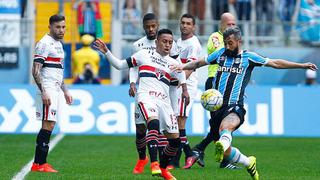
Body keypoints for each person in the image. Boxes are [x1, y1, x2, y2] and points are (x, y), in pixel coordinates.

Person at [170, 26, 318, 180]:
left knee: (224, 128)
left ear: (239, 41)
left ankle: (222, 140)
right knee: (226, 151)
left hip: (235, 106)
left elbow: (275, 63)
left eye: (230, 43)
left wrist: (301, 65)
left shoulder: (249, 58)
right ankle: (248, 162)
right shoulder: (220, 54)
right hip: (217, 107)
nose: (227, 46)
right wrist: (182, 66)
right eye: (225, 43)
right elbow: (199, 63)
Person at [94, 28, 190, 180]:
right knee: (152, 124)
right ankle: (154, 163)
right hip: (146, 97)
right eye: (164, 41)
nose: (167, 45)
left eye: (170, 43)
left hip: (164, 102)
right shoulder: (143, 54)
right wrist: (106, 52)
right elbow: (120, 65)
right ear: (157, 41)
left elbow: (176, 85)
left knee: (175, 141)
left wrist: (182, 95)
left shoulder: (173, 64)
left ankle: (164, 169)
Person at [188, 12, 239, 170]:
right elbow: (226, 51)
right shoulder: (216, 37)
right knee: (219, 123)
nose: (231, 27)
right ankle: (223, 160)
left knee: (222, 123)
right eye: (228, 24)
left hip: (227, 83)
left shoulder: (233, 41)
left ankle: (200, 149)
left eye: (233, 25)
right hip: (215, 83)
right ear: (221, 25)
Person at [129, 13, 178, 176]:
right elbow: (133, 67)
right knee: (140, 128)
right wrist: (132, 83)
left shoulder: (170, 43)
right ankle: (142, 158)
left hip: (161, 91)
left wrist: (179, 91)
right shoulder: (138, 45)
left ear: (157, 25)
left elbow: (174, 68)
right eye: (148, 26)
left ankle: (157, 164)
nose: (151, 29)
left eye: (153, 26)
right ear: (143, 26)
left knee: (157, 126)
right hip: (143, 90)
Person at [31, 14, 73, 173]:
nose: (61, 30)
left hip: (55, 88)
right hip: (47, 88)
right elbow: (35, 71)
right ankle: (39, 163)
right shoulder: (44, 43)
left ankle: (39, 163)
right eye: (58, 27)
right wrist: (44, 92)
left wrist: (65, 90)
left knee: (50, 123)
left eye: (63, 27)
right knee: (48, 123)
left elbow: (58, 71)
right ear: (50, 27)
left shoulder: (58, 45)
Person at [169, 13, 202, 169]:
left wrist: (182, 85)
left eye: (188, 23)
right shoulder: (178, 42)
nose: (185, 25)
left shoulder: (193, 44)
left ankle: (178, 159)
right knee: (175, 123)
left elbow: (191, 67)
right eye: (183, 22)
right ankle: (189, 154)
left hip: (186, 87)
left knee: (179, 123)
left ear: (193, 26)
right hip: (178, 85)